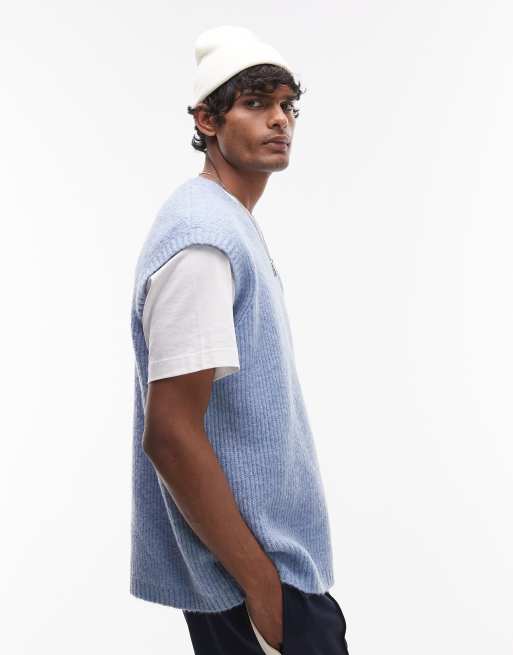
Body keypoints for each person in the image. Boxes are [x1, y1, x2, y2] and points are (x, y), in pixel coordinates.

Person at [129, 24, 350, 654]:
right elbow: (170, 434)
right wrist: (264, 593)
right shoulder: (203, 241)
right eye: (256, 104)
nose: (280, 120)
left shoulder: (226, 224)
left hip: (269, 574)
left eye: (287, 105)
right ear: (207, 120)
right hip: (252, 583)